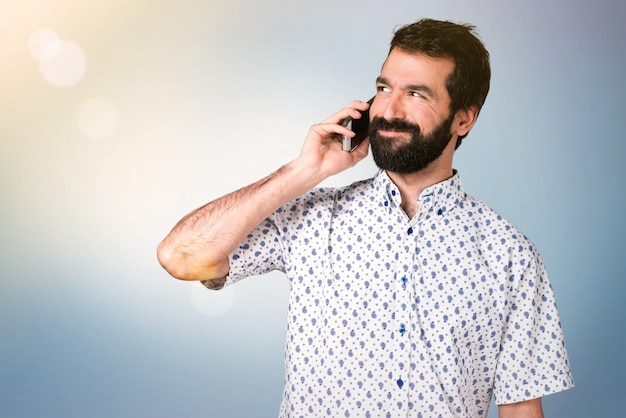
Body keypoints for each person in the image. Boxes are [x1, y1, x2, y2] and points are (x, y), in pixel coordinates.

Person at [157, 18, 574, 418]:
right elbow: (180, 256)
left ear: (464, 118)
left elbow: (521, 409)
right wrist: (305, 171)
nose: (388, 110)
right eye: (383, 88)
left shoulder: (511, 257)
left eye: (416, 94)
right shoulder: (312, 218)